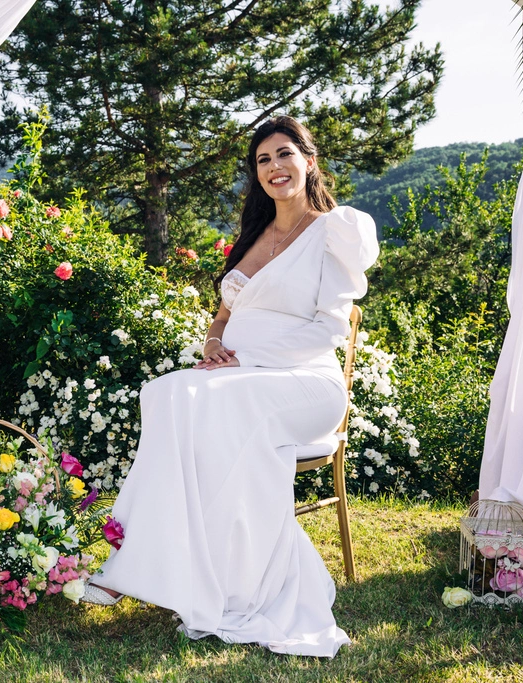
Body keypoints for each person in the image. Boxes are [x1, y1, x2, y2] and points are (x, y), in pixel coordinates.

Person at [80, 116, 379, 658]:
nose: (274, 168)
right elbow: (223, 315)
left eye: (284, 154)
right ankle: (153, 561)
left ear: (309, 161)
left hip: (304, 384)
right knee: (164, 393)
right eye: (263, 160)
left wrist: (243, 362)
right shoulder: (255, 235)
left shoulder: (333, 231)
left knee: (210, 402)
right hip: (240, 377)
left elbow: (328, 330)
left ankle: (157, 572)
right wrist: (214, 342)